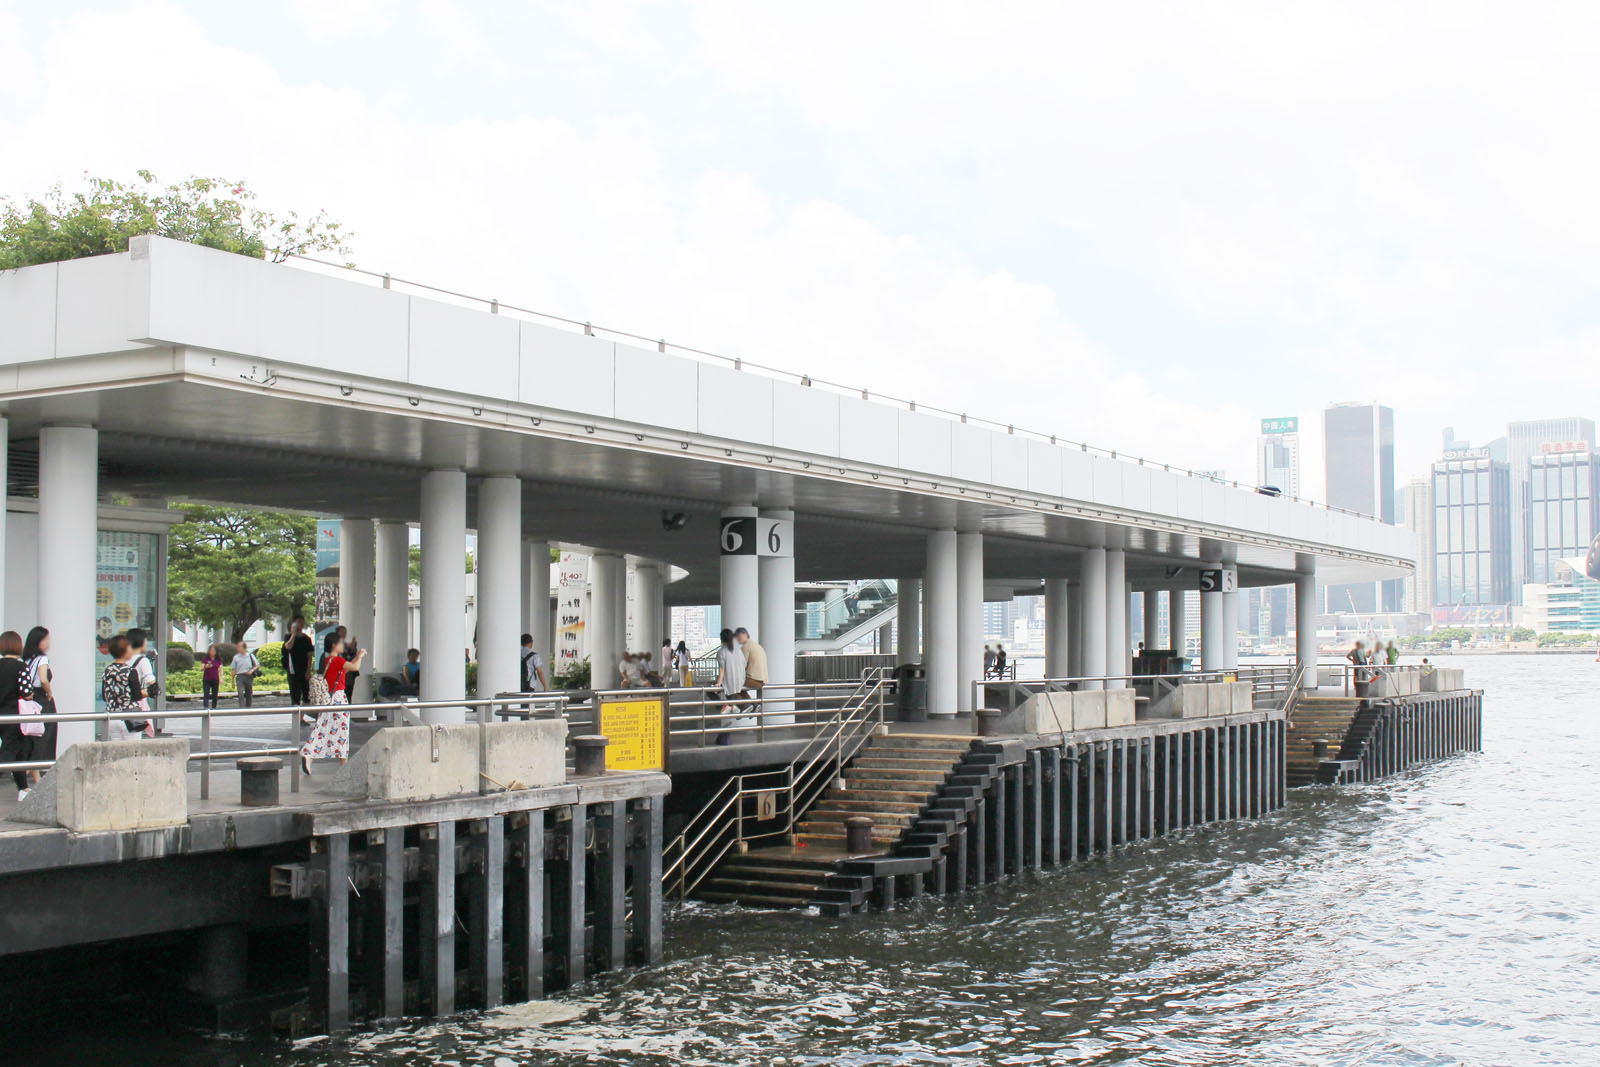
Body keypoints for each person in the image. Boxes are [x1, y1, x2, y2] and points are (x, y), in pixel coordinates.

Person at [301, 632, 365, 773]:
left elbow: (348, 667)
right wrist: (359, 655)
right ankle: (343, 764)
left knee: (322, 727)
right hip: (338, 698)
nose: (343, 645)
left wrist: (355, 658)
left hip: (328, 699)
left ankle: (308, 754)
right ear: (334, 645)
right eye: (341, 643)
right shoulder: (337, 660)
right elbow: (355, 668)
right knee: (342, 730)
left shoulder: (328, 660)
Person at [0, 631, 35, 798]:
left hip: (1, 714)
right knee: (10, 751)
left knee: (17, 751)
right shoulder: (21, 667)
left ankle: (23, 788)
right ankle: (23, 788)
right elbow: (27, 692)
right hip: (14, 715)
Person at [21, 627, 56, 789]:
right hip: (42, 700)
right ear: (39, 641)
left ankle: (36, 781)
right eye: (46, 639)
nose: (48, 642)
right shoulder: (42, 659)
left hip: (29, 700)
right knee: (44, 737)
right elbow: (43, 680)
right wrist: (49, 692)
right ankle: (23, 774)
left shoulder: (27, 659)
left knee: (33, 739)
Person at [99, 634, 146, 741]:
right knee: (133, 751)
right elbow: (137, 695)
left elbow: (105, 696)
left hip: (112, 717)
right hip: (130, 718)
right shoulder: (130, 671)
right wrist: (149, 692)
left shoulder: (107, 671)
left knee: (117, 753)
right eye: (129, 647)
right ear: (124, 650)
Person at [712, 628, 747, 744]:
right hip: (740, 682)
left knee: (712, 692)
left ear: (722, 639)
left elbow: (722, 670)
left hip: (729, 683)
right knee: (727, 712)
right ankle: (732, 706)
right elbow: (744, 664)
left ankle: (729, 706)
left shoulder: (722, 652)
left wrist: (718, 683)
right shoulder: (738, 650)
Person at [282, 616, 315, 707]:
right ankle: (296, 718)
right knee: (295, 695)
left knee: (306, 695)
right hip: (293, 671)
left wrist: (308, 671)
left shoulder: (306, 639)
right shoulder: (288, 636)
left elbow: (309, 656)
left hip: (304, 669)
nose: (300, 625)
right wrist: (294, 634)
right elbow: (288, 646)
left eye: (302, 622)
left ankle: (302, 717)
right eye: (298, 622)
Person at [734, 627, 767, 701]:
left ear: (745, 635)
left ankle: (745, 705)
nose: (737, 638)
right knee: (739, 688)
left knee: (732, 685)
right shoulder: (757, 646)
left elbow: (741, 665)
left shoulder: (746, 646)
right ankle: (752, 705)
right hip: (762, 680)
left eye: (739, 636)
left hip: (753, 680)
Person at [231, 640, 261, 708]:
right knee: (240, 693)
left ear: (244, 648)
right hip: (239, 676)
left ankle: (248, 706)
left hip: (249, 676)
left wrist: (252, 670)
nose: (238, 648)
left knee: (249, 693)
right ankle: (242, 707)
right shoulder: (236, 657)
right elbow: (233, 669)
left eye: (239, 647)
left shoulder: (250, 656)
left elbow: (257, 665)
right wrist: (232, 681)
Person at [199, 644, 224, 709]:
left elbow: (221, 669)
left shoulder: (218, 660)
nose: (212, 652)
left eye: (214, 651)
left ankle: (214, 707)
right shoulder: (205, 659)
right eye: (211, 650)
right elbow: (201, 668)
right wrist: (206, 666)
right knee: (206, 694)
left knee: (214, 695)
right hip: (206, 679)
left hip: (215, 679)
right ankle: (206, 707)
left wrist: (221, 678)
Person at [343, 636, 362, 702]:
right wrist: (359, 657)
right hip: (343, 682)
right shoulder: (339, 658)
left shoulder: (351, 653)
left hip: (349, 680)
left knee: (348, 697)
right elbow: (354, 667)